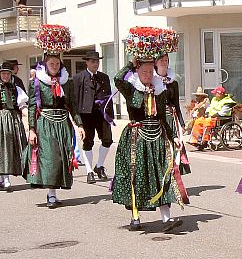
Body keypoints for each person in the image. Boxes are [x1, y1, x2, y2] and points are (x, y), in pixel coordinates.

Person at [111, 59, 183, 232]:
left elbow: (163, 117)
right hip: (136, 138)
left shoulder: (160, 91)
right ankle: (135, 217)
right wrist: (130, 63)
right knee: (136, 177)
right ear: (138, 72)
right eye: (145, 72)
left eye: (151, 72)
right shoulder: (130, 88)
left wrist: (174, 136)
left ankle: (166, 218)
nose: (148, 75)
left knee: (162, 174)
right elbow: (117, 79)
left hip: (157, 137)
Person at [23, 54, 85, 208]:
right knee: (50, 158)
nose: (55, 66)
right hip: (45, 123)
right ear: (46, 64)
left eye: (57, 63)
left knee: (61, 158)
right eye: (52, 63)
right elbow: (32, 106)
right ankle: (51, 194)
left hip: (63, 123)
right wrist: (32, 129)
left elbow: (73, 105)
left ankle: (54, 192)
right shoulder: (37, 82)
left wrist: (80, 124)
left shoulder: (67, 82)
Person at [73, 50, 114, 184]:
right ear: (87, 62)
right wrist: (77, 120)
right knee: (88, 142)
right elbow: (75, 99)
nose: (95, 64)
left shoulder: (104, 77)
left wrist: (110, 115)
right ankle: (89, 171)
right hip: (86, 114)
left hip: (102, 114)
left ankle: (99, 166)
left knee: (107, 140)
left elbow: (109, 97)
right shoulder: (79, 77)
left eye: (97, 61)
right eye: (92, 61)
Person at [155, 53, 190, 176]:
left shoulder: (173, 82)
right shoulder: (152, 80)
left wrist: (181, 122)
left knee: (174, 146)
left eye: (166, 60)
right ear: (156, 63)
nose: (164, 63)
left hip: (171, 117)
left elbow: (176, 104)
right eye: (161, 60)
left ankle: (173, 178)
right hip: (157, 118)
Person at [0, 62, 28, 191]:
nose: (5, 76)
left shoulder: (15, 87)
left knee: (13, 146)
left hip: (13, 118)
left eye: (7, 73)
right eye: (3, 73)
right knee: (3, 147)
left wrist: (26, 116)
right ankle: (3, 178)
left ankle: (8, 177)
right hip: (1, 117)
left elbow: (22, 103)